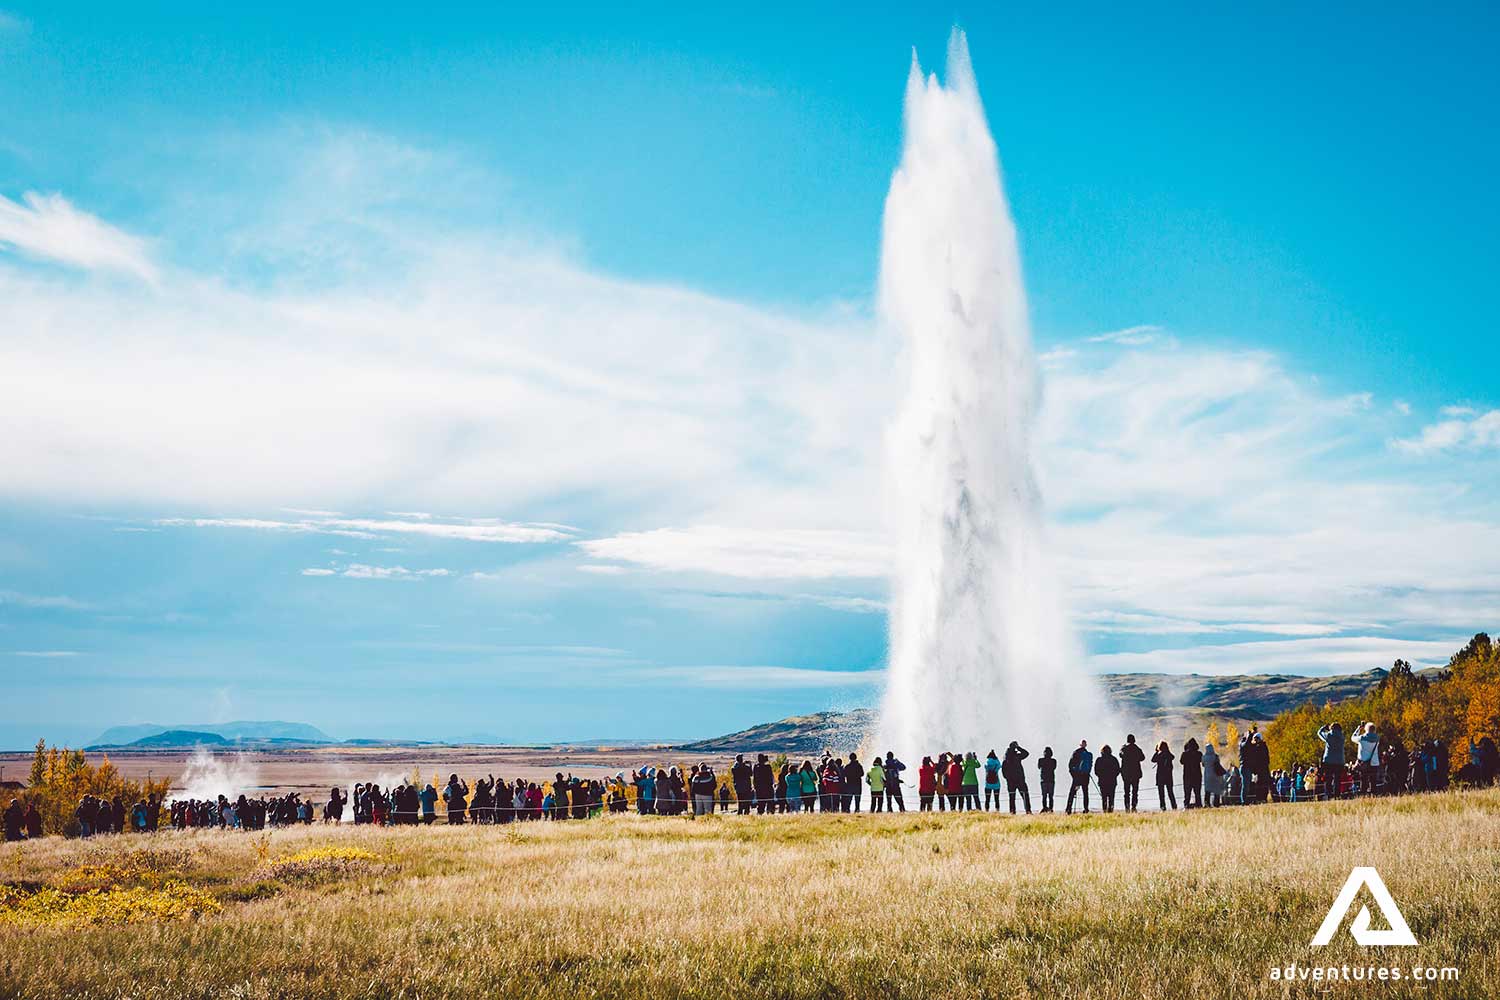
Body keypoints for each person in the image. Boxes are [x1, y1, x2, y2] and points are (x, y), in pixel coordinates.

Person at [1318, 722, 1346, 801]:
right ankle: (1337, 795)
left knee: (1328, 779)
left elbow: (1319, 733)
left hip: (1328, 760)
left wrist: (1324, 727)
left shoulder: (1328, 735)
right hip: (1339, 761)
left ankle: (1328, 795)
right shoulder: (1342, 737)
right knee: (1337, 779)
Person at [1002, 742, 1031, 814]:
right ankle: (1028, 810)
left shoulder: (1006, 757)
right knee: (1025, 795)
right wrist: (1019, 748)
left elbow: (1003, 771)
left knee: (1012, 797)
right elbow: (1026, 753)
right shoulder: (1016, 756)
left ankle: (1012, 812)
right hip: (1020, 779)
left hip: (1011, 781)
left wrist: (1008, 778)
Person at [1065, 741, 1092, 814]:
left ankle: (1068, 809)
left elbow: (1070, 765)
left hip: (1077, 775)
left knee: (1072, 792)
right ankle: (1086, 809)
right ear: (1086, 745)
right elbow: (1090, 765)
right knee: (1085, 792)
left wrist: (1073, 775)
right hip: (1085, 776)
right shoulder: (1088, 754)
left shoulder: (1076, 752)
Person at [1120, 735, 1145, 812]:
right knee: (1135, 792)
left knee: (1127, 792)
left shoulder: (1124, 748)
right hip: (1135, 773)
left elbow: (1120, 755)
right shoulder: (1137, 749)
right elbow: (1142, 758)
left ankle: (1127, 808)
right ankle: (1133, 807)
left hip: (1126, 773)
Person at [1356, 723, 1381, 795]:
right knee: (1373, 781)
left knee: (1364, 780)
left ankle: (1363, 795)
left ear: (1366, 730)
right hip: (1374, 762)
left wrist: (1358, 729)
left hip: (1364, 762)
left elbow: (1353, 738)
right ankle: (1374, 795)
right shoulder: (1377, 739)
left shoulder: (1361, 738)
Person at [1094, 745, 1120, 812]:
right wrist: (1113, 776)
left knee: (1104, 797)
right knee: (1111, 797)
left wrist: (1100, 776)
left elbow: (1096, 771)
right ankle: (1111, 810)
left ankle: (1104, 810)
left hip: (1102, 781)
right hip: (1112, 781)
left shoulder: (1099, 760)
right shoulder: (1114, 759)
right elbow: (1118, 770)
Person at [1152, 741, 1177, 810]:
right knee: (1170, 792)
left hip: (1160, 776)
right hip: (1168, 776)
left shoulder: (1159, 755)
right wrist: (1167, 751)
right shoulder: (1169, 755)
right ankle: (1174, 806)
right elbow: (1173, 757)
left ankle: (1163, 807)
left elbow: (1153, 760)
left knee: (1161, 793)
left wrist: (1157, 751)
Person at [1180, 738, 1203, 809]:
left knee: (1187, 793)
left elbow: (1181, 762)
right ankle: (1199, 805)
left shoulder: (1185, 754)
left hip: (1187, 776)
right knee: (1197, 792)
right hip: (1197, 775)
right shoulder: (1199, 753)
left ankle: (1186, 805)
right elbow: (1201, 761)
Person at [1202, 742, 1225, 807]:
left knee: (1207, 790)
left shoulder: (1204, 757)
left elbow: (1203, 765)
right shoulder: (1216, 756)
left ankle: (1207, 803)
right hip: (1215, 775)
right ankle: (1216, 803)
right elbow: (1218, 764)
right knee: (1216, 789)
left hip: (1207, 775)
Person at [1038, 747, 1057, 813]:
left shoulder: (1041, 760)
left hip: (1044, 780)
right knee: (1050, 796)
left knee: (1044, 796)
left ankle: (1045, 808)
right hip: (1051, 779)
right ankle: (1050, 808)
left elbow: (1039, 767)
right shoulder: (1053, 761)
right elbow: (1054, 767)